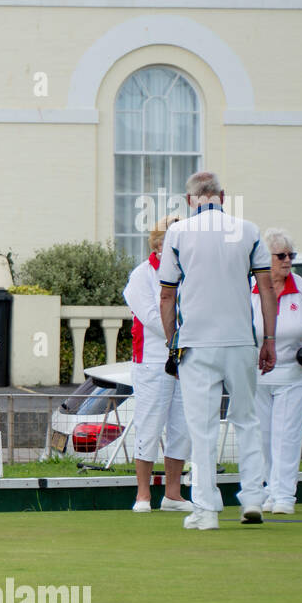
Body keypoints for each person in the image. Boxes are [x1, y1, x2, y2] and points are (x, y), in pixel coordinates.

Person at [158, 171, 277, 530]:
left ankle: (207, 510)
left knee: (202, 427)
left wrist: (170, 341)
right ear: (222, 196)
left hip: (196, 342)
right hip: (240, 339)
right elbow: (266, 287)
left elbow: (167, 294)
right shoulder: (249, 229)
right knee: (247, 420)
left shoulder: (177, 233)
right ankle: (253, 497)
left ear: (190, 198)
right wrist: (269, 339)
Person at [251, 228, 302, 514]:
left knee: (287, 434)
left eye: (291, 255)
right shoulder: (249, 288)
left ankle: (284, 496)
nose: (287, 261)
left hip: (295, 373)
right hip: (256, 373)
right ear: (265, 258)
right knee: (262, 435)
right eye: (281, 255)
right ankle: (266, 490)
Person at [122, 214, 193, 513]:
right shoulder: (141, 275)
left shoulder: (190, 274)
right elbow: (152, 318)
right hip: (152, 361)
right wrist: (179, 336)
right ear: (160, 244)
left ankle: (173, 494)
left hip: (186, 359)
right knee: (150, 425)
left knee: (181, 427)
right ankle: (143, 495)